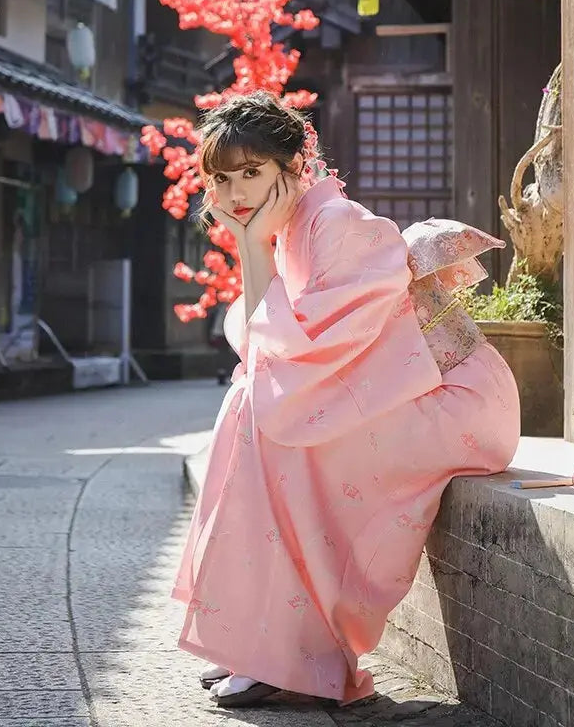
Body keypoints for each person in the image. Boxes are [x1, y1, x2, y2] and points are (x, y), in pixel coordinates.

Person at [171, 91, 520, 709]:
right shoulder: (288, 231)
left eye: (251, 172)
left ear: (292, 167)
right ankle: (264, 639)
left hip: (453, 397)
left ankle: (293, 647)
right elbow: (265, 348)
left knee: (275, 423)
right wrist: (254, 248)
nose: (235, 193)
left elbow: (298, 350)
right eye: (222, 179)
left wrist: (252, 248)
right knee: (254, 403)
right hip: (400, 389)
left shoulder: (339, 225)